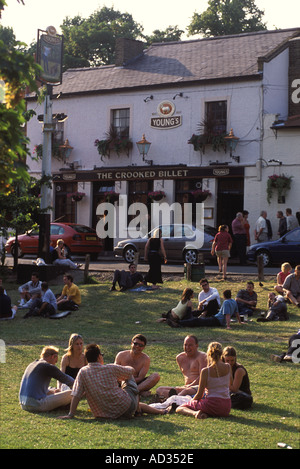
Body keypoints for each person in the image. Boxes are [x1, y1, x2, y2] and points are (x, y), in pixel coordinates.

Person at [58, 343, 169, 419]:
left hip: (103, 413)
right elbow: (131, 371)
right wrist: (122, 373)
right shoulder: (110, 368)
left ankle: (159, 411)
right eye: (102, 355)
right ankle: (145, 407)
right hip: (126, 408)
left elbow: (76, 394)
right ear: (98, 357)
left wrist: (71, 414)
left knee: (135, 404)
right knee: (128, 377)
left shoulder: (83, 372)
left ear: (87, 359)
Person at [175, 342, 232, 419]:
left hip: (211, 404)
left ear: (208, 354)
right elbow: (230, 384)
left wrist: (191, 402)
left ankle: (195, 413)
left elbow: (199, 394)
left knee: (180, 408)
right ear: (221, 353)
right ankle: (206, 413)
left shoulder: (206, 371)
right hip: (226, 406)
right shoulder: (228, 367)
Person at [19, 346, 74, 412]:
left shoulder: (32, 364)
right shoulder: (47, 366)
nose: (55, 364)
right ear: (53, 356)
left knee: (54, 388)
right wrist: (81, 386)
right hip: (36, 405)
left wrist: (53, 392)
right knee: (71, 393)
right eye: (55, 361)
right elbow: (67, 379)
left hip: (23, 404)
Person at [177, 290, 242, 329]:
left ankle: (179, 323)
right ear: (231, 295)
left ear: (224, 296)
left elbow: (227, 314)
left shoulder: (226, 302)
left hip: (217, 320)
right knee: (198, 320)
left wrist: (228, 326)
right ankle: (181, 321)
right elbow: (237, 313)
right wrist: (240, 321)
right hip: (216, 319)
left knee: (197, 321)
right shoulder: (234, 301)